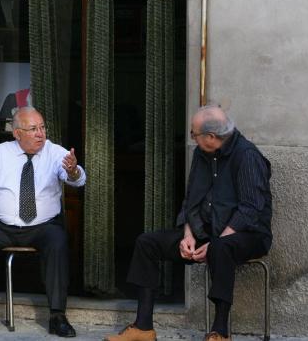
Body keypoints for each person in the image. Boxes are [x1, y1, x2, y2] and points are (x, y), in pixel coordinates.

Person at [106, 105, 272, 341]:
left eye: (194, 134)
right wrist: (188, 234)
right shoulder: (201, 154)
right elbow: (191, 198)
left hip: (247, 235)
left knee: (222, 249)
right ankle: (143, 327)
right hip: (207, 231)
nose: (192, 138)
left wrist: (216, 243)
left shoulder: (247, 156)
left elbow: (250, 209)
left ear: (211, 137)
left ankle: (220, 332)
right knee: (147, 243)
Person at [0, 106, 85, 337]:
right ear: (17, 133)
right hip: (5, 228)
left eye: (42, 127)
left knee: (58, 241)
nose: (40, 133)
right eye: (33, 129)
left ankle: (57, 315)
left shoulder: (55, 152)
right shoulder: (0, 154)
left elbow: (76, 179)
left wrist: (73, 171)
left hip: (44, 227)